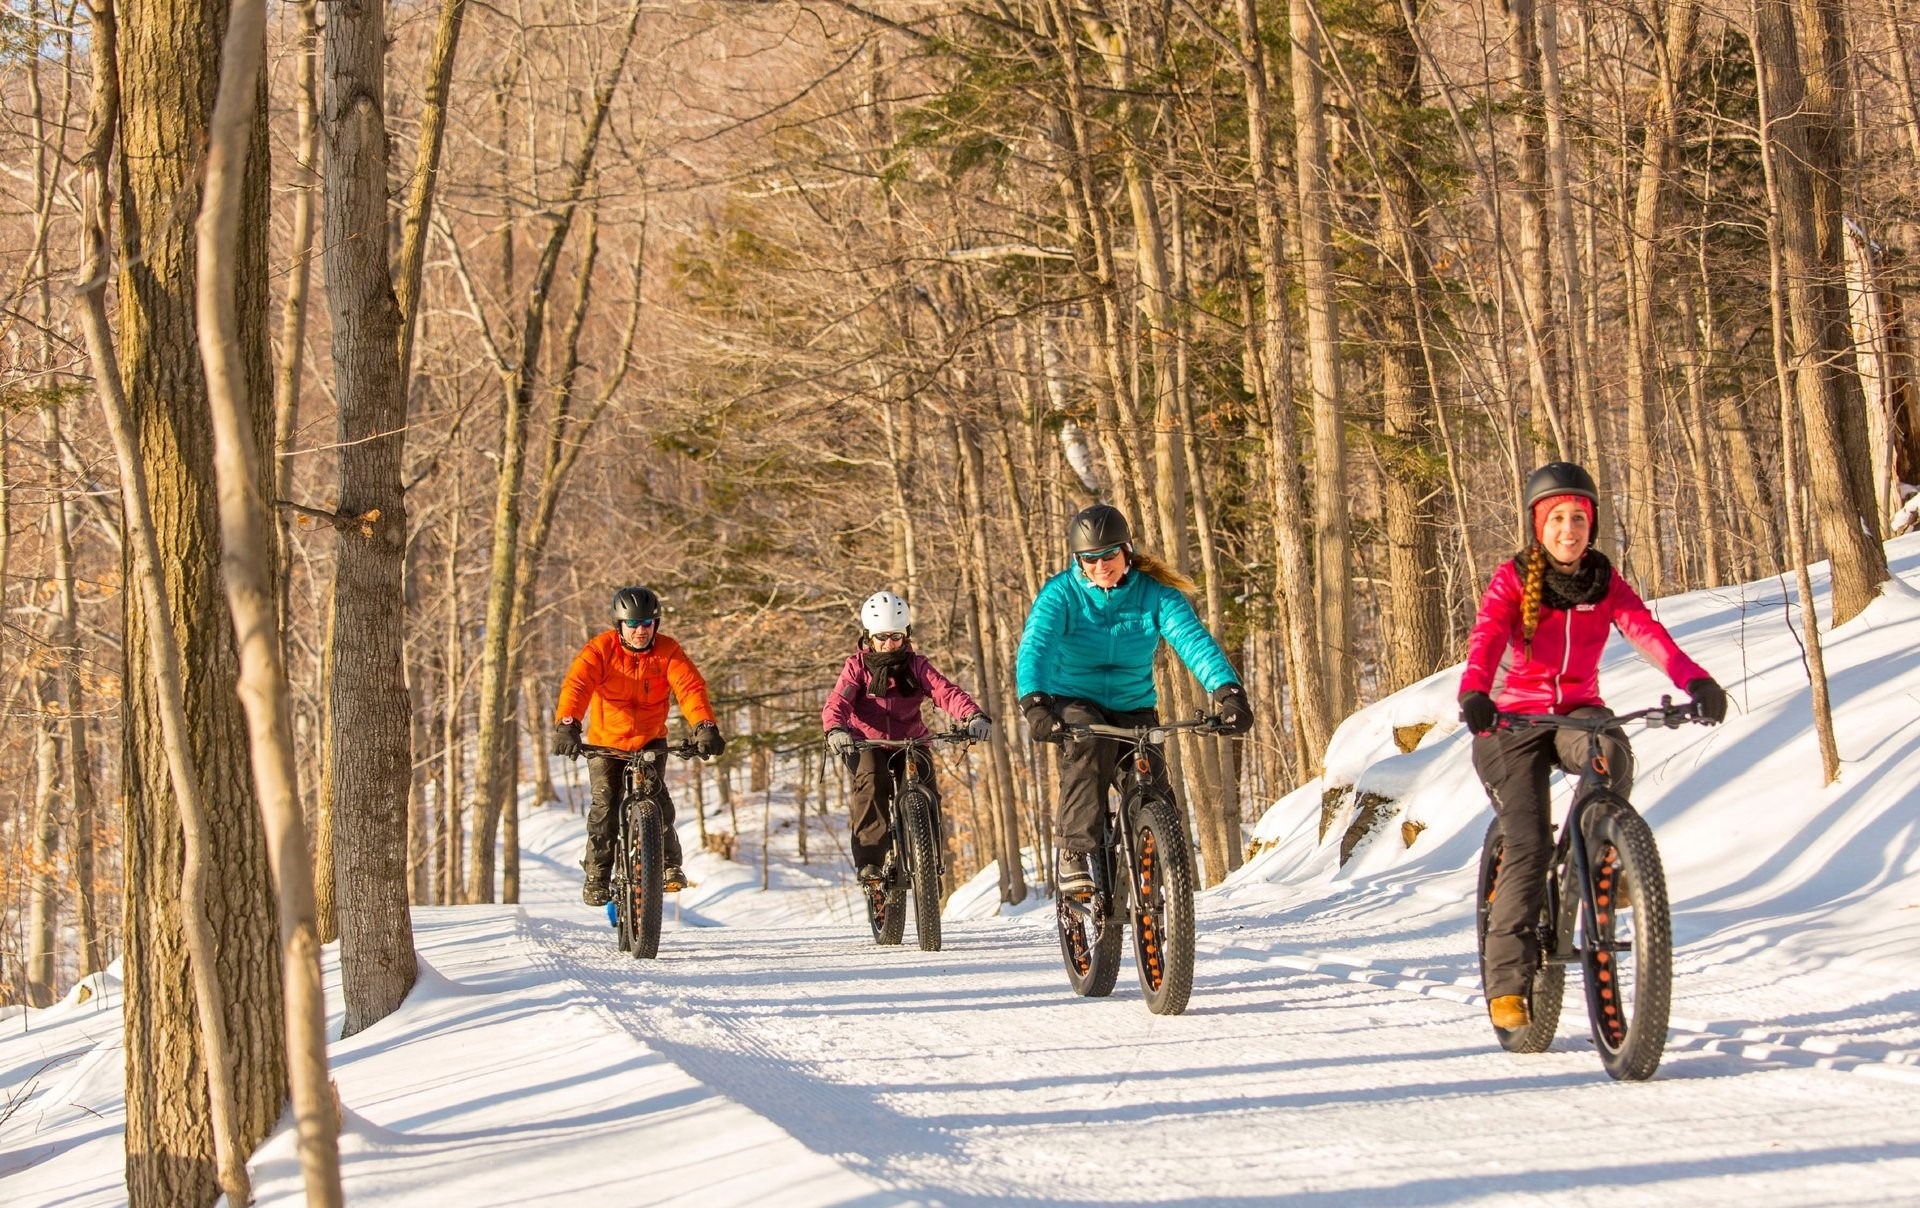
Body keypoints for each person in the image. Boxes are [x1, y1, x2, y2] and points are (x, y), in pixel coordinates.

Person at [1458, 462, 1727, 1032]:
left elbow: (1647, 633)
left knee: (1612, 748)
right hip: (1509, 721)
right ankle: (1507, 980)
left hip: (1575, 712)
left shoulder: (1604, 582)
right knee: (1528, 839)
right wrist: (1475, 693)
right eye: (1558, 518)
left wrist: (1695, 681)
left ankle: (1602, 852)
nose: (1569, 529)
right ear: (1539, 525)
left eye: (1579, 518)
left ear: (1592, 524)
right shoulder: (1512, 580)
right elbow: (1485, 638)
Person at [1015, 504, 1252, 894]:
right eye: (1090, 559)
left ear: (1127, 550)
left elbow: (1193, 641)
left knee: (1153, 785)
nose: (1100, 566)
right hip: (1074, 700)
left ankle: (1160, 874)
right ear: (1078, 560)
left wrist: (1227, 691)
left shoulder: (1155, 594)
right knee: (1088, 748)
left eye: (1109, 555)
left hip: (1133, 705)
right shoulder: (1061, 593)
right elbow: (1036, 646)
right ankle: (1075, 852)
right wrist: (1035, 701)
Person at [553, 586, 726, 906]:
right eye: (632, 624)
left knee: (658, 798)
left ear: (656, 624)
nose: (640, 630)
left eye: (647, 623)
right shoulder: (600, 650)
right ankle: (598, 875)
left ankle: (669, 865)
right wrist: (567, 725)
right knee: (605, 804)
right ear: (619, 625)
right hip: (607, 744)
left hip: (649, 740)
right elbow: (577, 685)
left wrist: (704, 726)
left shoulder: (668, 651)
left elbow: (690, 688)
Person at [823, 590, 992, 885]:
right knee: (872, 780)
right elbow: (838, 702)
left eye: (896, 637)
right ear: (869, 637)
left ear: (906, 635)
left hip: (911, 741)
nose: (889, 644)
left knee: (926, 789)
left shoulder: (917, 666)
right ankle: (871, 864)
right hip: (866, 742)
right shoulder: (856, 668)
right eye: (882, 637)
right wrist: (835, 729)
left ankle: (930, 864)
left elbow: (944, 692)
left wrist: (972, 715)